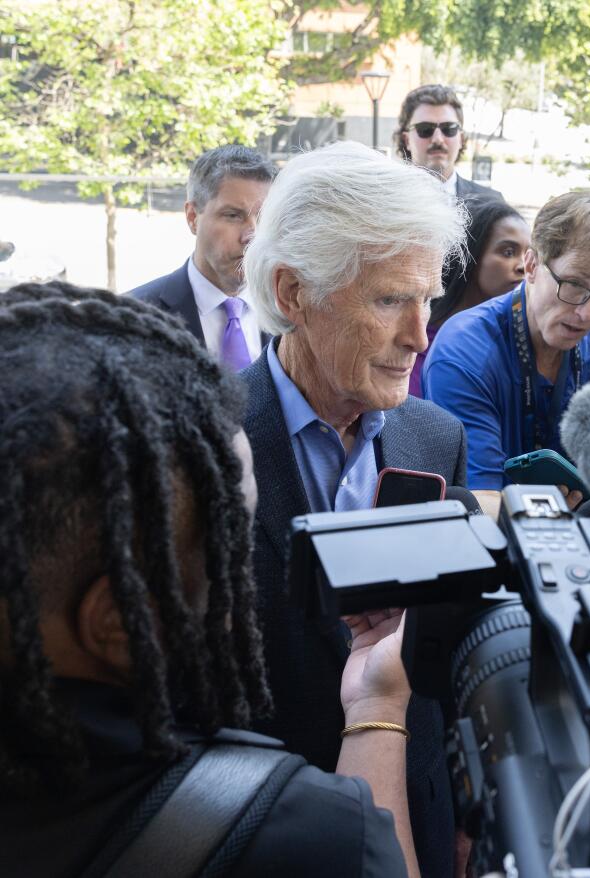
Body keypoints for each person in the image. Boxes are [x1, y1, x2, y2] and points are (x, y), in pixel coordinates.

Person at [0, 281, 418, 878]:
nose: (241, 573)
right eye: (229, 543)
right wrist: (378, 706)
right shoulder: (302, 836)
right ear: (123, 619)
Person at [241, 140, 468, 878]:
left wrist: (465, 807)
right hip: (264, 836)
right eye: (390, 299)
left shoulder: (436, 437)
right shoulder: (204, 445)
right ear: (293, 292)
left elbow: (445, 654)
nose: (420, 335)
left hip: (416, 820)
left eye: (428, 298)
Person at [423, 189, 590, 509]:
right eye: (574, 285)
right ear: (531, 264)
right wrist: (550, 508)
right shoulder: (463, 352)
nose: (587, 313)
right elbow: (481, 503)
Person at [129, 145, 275, 369]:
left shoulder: (292, 311)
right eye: (234, 216)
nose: (252, 235)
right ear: (192, 217)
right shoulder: (134, 317)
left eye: (264, 218)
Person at [410, 198, 530, 398]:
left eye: (529, 255)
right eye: (508, 252)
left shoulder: (516, 343)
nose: (523, 266)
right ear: (470, 257)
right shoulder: (416, 341)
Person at [395, 83, 502, 202]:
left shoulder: (491, 204)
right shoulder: (386, 204)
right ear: (407, 140)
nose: (438, 139)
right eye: (425, 129)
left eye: (449, 128)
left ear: (461, 139)